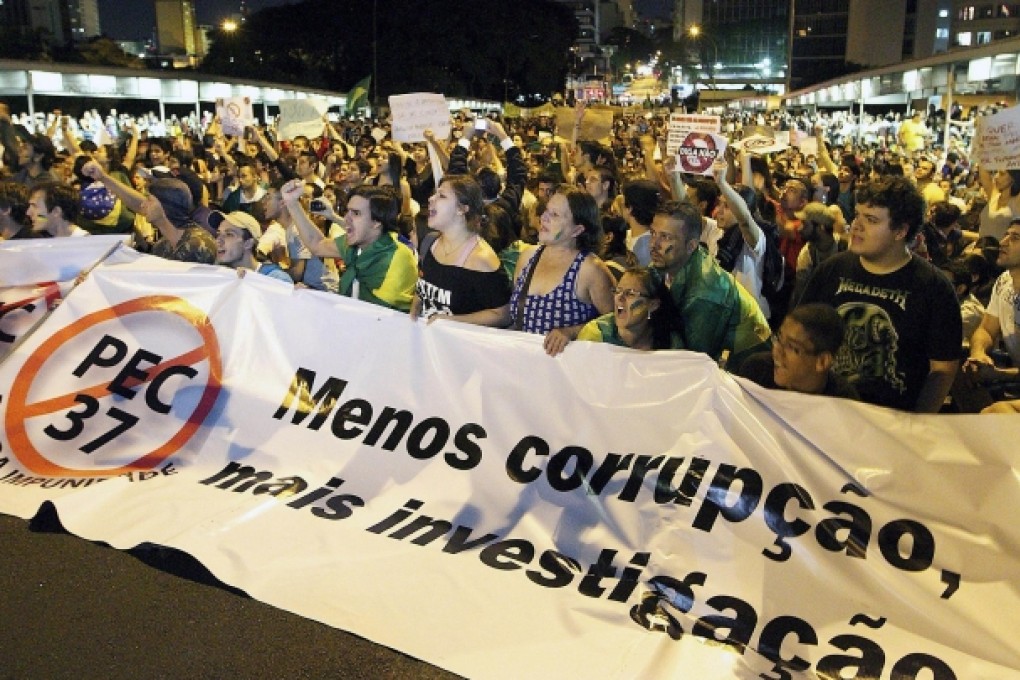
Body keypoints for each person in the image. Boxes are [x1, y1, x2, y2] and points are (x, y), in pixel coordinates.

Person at [799, 176, 962, 413]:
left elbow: (943, 369)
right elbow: (803, 333)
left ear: (900, 231)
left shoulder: (934, 288)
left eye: (871, 220)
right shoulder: (832, 269)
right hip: (824, 412)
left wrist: (918, 423)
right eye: (857, 215)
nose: (856, 226)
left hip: (891, 421)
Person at [649, 200, 771, 368]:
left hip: (748, 367)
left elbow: (690, 362)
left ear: (691, 245)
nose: (653, 244)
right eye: (653, 233)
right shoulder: (668, 263)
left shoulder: (705, 293)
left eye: (665, 237)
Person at [508, 184, 615, 356]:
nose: (544, 218)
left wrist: (571, 332)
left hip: (567, 374)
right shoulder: (527, 257)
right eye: (546, 211)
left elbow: (615, 323)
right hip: (525, 367)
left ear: (577, 230)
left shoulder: (590, 269)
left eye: (555, 215)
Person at [282, 180, 416, 311]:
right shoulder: (359, 244)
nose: (346, 218)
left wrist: (317, 298)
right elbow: (317, 244)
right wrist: (292, 203)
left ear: (376, 222)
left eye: (356, 213)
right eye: (348, 211)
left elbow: (372, 316)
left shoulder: (399, 257)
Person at [412, 175, 511, 325]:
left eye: (442, 196)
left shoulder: (481, 258)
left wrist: (452, 321)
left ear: (462, 209)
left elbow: (503, 314)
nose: (431, 199)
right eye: (434, 193)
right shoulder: (430, 242)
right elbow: (423, 288)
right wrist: (414, 309)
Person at [959, 219, 1020, 411]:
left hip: (1011, 375)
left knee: (997, 412)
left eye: (1015, 238)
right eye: (1006, 235)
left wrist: (998, 374)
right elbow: (986, 329)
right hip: (1013, 372)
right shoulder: (1004, 281)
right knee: (950, 369)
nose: (1003, 242)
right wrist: (979, 355)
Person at [738, 303, 859, 399]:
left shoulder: (843, 402)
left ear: (822, 361)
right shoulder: (756, 372)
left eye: (791, 347)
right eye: (779, 339)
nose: (777, 351)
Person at [577, 267, 683, 350]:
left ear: (653, 305)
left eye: (630, 294)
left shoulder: (670, 342)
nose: (620, 298)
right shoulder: (595, 335)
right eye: (618, 291)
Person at [210, 210, 293, 282]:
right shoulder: (218, 274)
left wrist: (252, 280)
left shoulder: (276, 278)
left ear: (248, 243)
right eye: (218, 234)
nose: (218, 240)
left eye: (229, 234)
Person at [976, 168, 1020, 240]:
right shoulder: (993, 195)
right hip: (982, 247)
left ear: (1013, 178)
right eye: (996, 173)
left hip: (1001, 250)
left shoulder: (1017, 202)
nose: (996, 177)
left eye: (1001, 174)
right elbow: (983, 169)